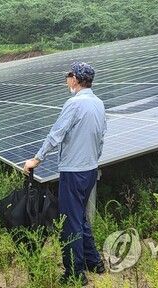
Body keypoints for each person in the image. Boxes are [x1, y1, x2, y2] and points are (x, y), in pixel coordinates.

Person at [23, 62, 107, 286]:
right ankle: (94, 261)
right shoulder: (98, 103)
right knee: (79, 216)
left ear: (76, 79)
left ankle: (75, 273)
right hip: (90, 170)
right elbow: (100, 138)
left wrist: (37, 159)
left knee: (69, 222)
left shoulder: (74, 104)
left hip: (73, 172)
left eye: (69, 75)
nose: (67, 79)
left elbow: (55, 134)